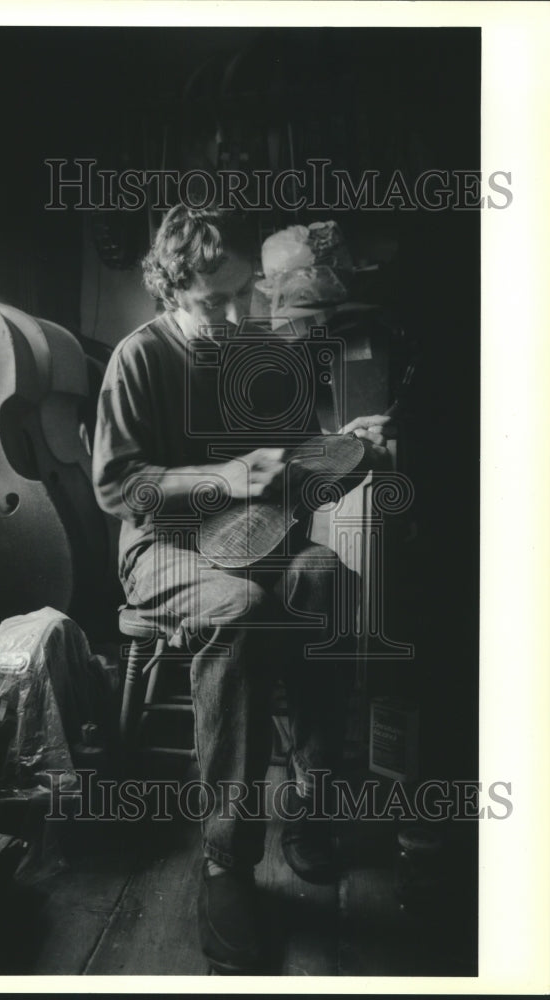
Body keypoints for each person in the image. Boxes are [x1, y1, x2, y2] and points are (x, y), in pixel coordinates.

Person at [92, 205, 395, 974]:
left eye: (241, 297)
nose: (232, 317)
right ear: (168, 290)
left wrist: (344, 446)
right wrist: (218, 475)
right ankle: (226, 860)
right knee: (243, 611)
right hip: (162, 550)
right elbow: (117, 486)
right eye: (210, 302)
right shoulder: (137, 358)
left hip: (256, 539)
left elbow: (295, 459)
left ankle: (308, 802)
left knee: (323, 576)